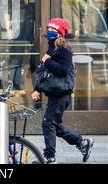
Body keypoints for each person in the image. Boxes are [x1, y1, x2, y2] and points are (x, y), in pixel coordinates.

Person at [31, 18, 93, 164]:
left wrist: (47, 61)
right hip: (55, 94)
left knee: (48, 123)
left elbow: (63, 70)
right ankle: (82, 142)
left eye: (52, 31)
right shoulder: (51, 49)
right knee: (55, 126)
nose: (48, 33)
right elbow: (47, 74)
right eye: (48, 30)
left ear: (59, 34)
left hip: (62, 95)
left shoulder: (64, 50)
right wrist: (37, 89)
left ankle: (50, 157)